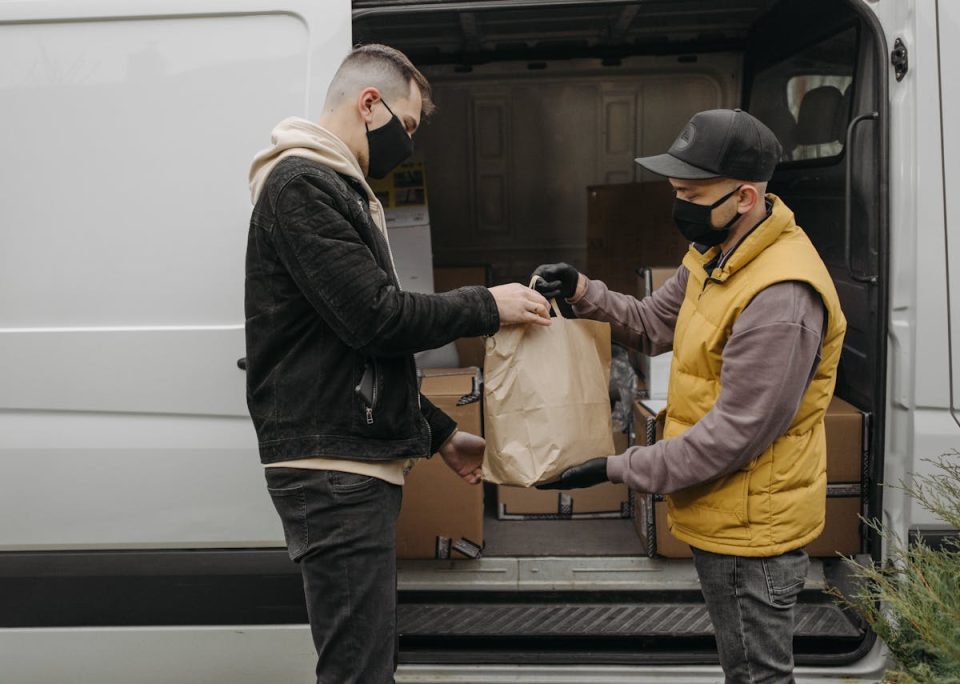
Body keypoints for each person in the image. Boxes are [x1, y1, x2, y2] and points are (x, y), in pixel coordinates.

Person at [244, 44, 550, 684]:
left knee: (367, 662)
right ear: (369, 103)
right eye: (406, 126)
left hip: (348, 464)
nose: (406, 143)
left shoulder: (333, 186)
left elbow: (352, 349)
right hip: (333, 469)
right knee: (359, 670)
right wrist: (486, 305)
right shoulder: (303, 185)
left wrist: (440, 435)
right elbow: (377, 319)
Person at [533, 108, 846, 684]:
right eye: (675, 189)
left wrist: (614, 467)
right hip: (724, 516)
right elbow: (653, 324)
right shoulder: (718, 254)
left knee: (757, 676)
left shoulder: (781, 296)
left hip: (754, 532)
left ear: (745, 197)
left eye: (691, 192)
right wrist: (582, 290)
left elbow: (733, 437)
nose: (679, 205)